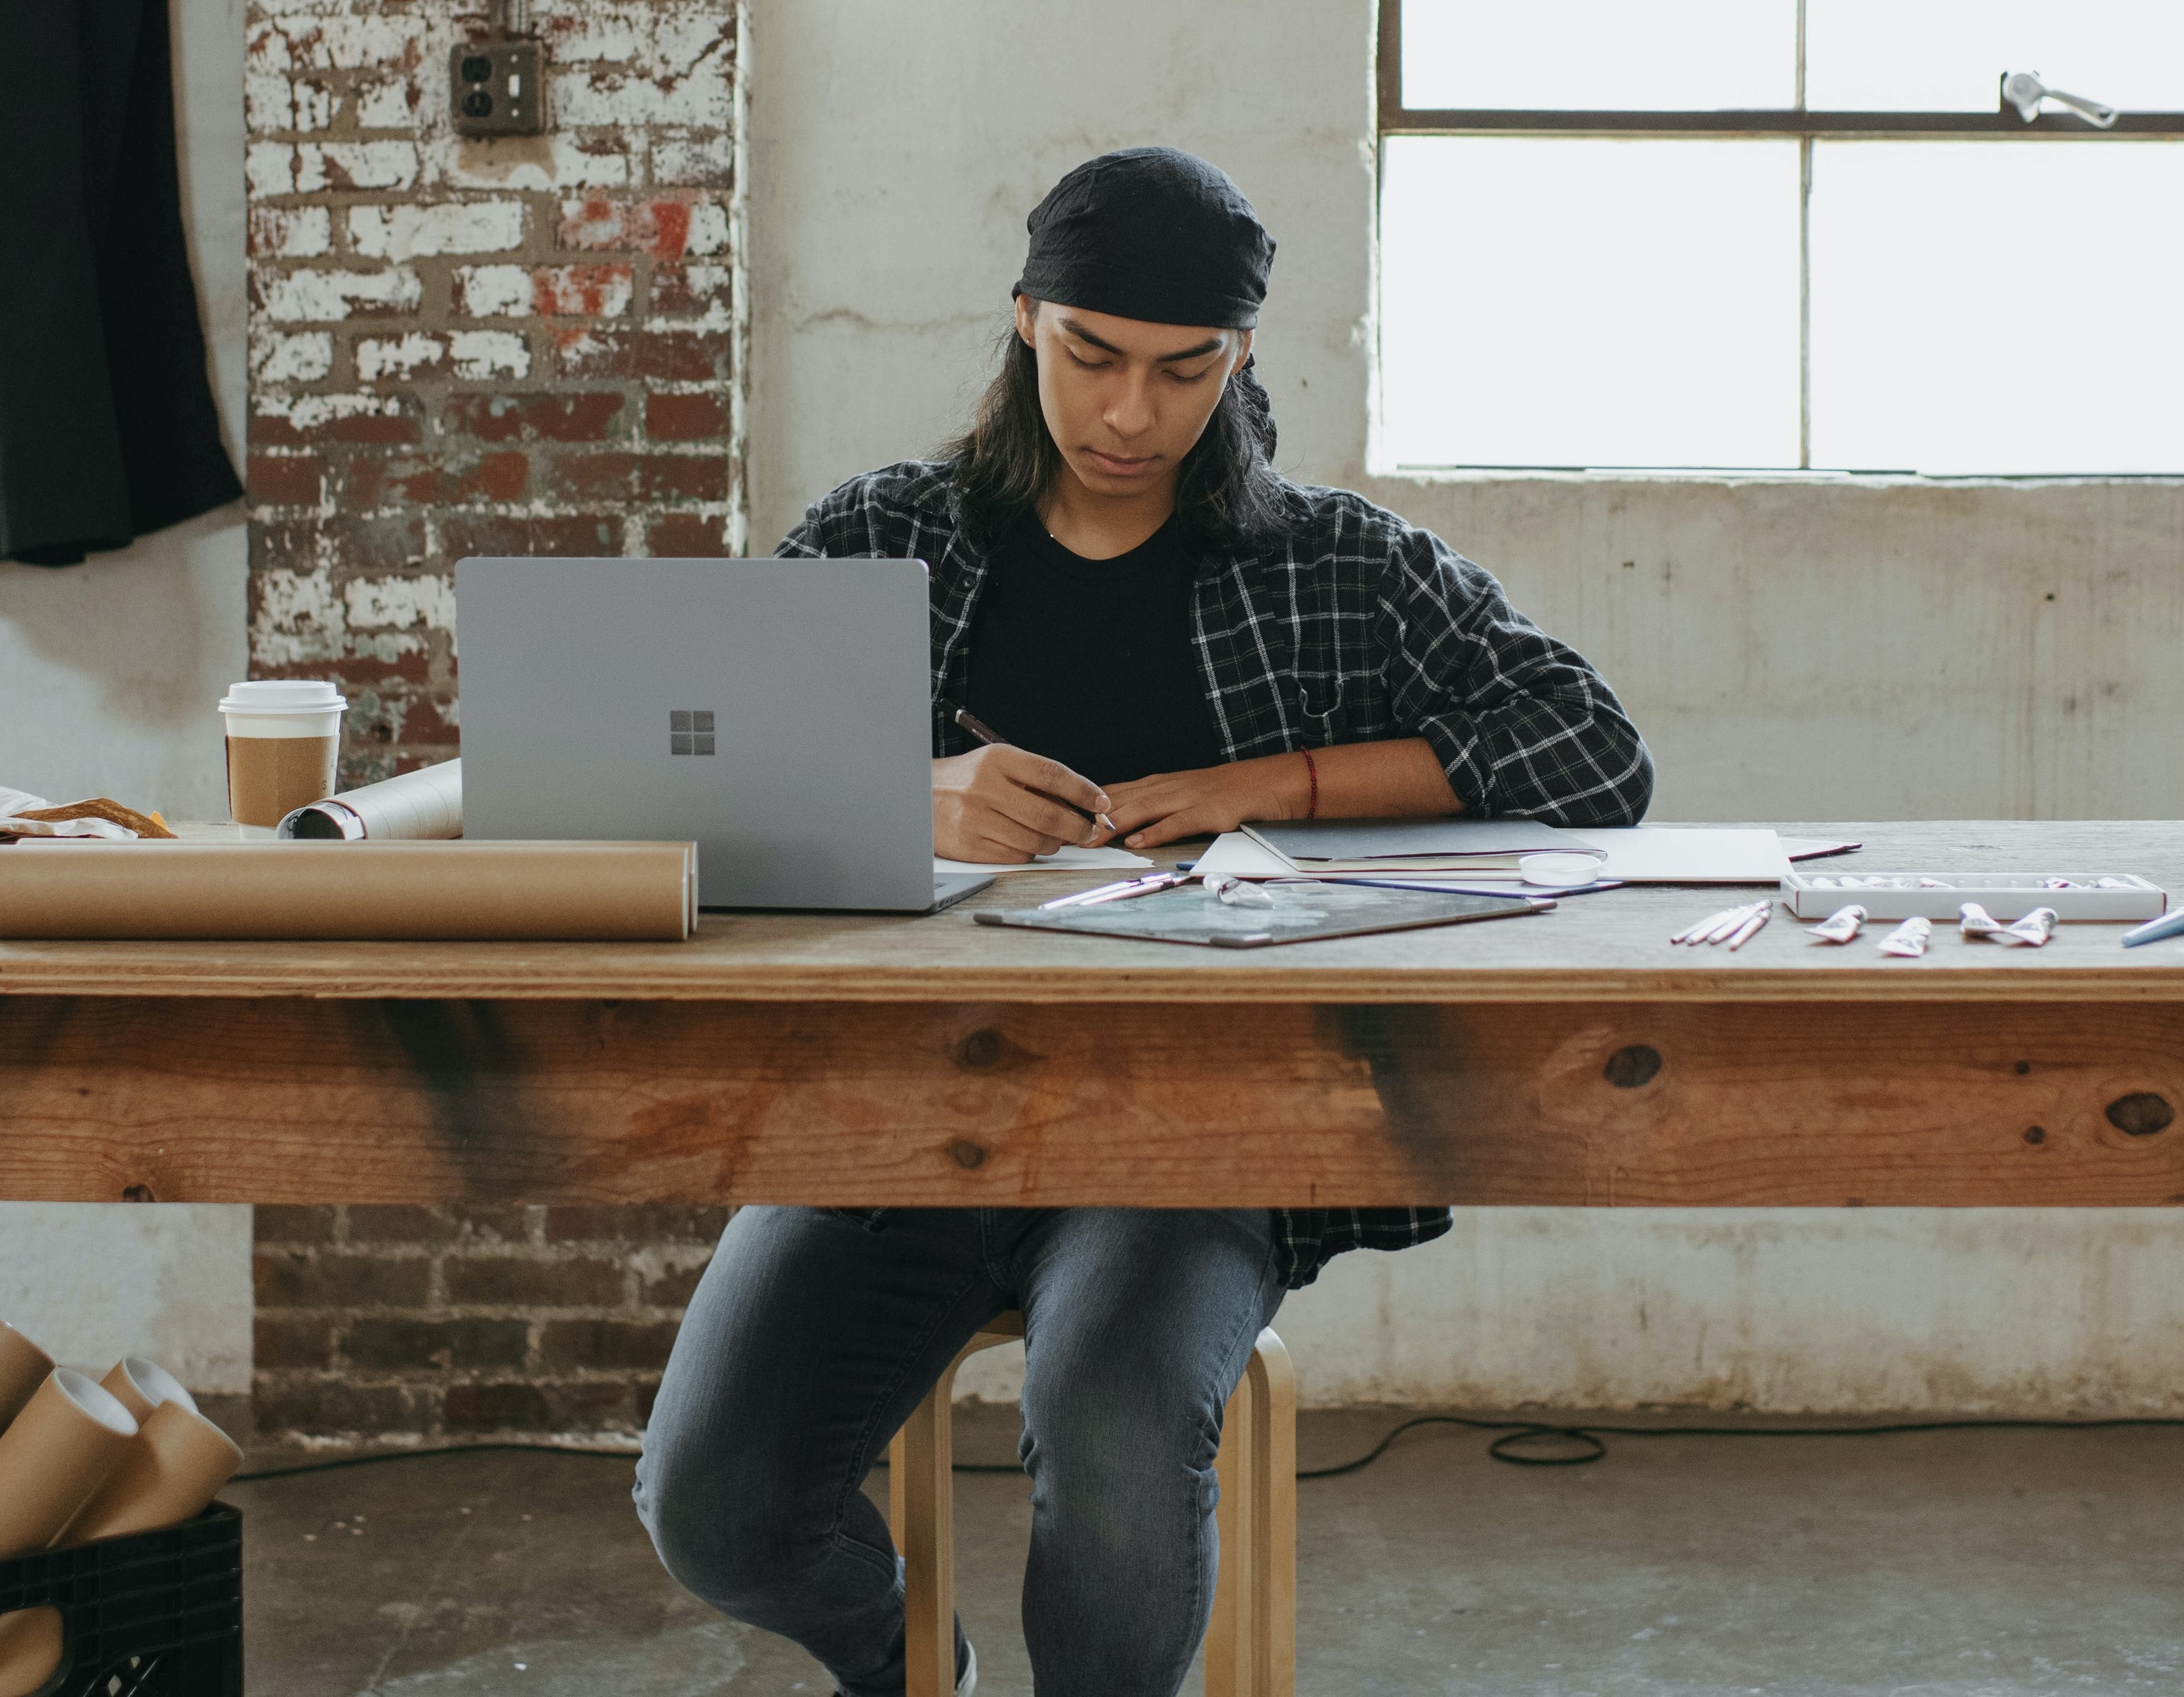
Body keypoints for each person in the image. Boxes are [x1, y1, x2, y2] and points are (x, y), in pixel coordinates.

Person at [632, 147, 1652, 1696]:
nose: (1130, 415)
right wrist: (911, 794)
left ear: (1238, 361)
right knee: (712, 1506)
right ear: (1025, 320)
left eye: (1186, 372)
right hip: (892, 1114)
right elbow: (667, 765)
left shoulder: (1334, 565)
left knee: (1111, 1424)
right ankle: (924, 1678)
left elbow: (1592, 751)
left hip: (1188, 1129)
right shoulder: (884, 540)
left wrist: (1273, 784)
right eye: (1091, 358)